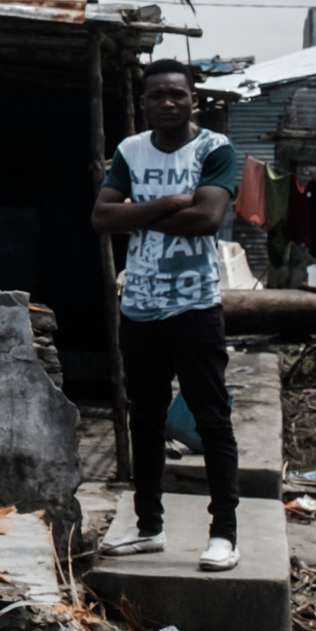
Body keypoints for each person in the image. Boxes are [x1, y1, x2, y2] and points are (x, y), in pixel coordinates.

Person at [92, 60, 243, 571]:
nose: (168, 103)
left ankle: (224, 533)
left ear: (192, 99)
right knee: (147, 419)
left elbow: (207, 219)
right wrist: (174, 200)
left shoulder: (214, 149)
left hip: (195, 304)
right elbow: (101, 217)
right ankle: (148, 527)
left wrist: (145, 207)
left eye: (177, 94)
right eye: (157, 95)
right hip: (139, 306)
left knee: (212, 419)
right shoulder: (129, 150)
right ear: (144, 102)